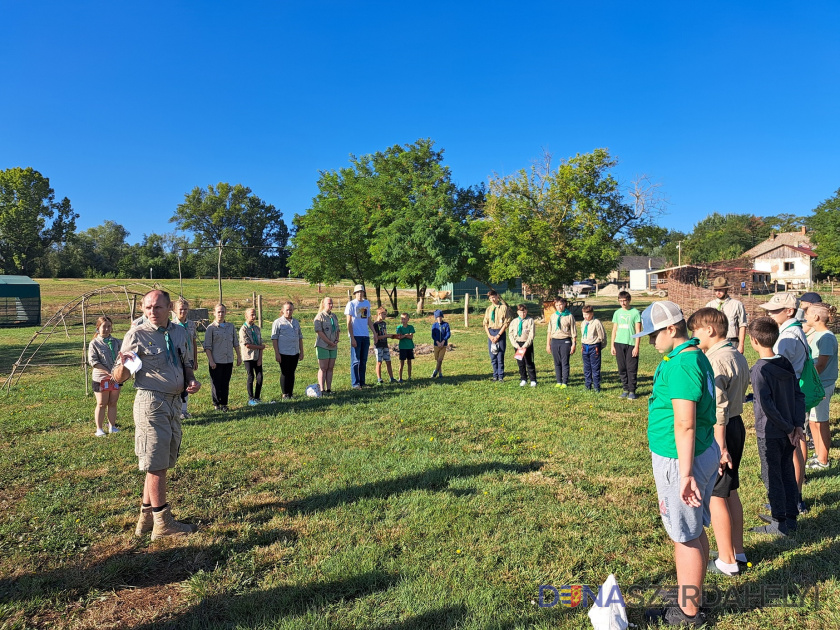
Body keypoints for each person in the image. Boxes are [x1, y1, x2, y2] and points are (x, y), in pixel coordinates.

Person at [636, 301, 719, 626]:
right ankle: (691, 592)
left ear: (671, 329)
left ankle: (688, 612)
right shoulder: (689, 355)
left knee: (684, 535)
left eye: (653, 334)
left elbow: (685, 422)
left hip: (682, 460)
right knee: (693, 528)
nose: (650, 341)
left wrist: (685, 474)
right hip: (696, 453)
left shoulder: (683, 363)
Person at [117, 289, 201, 539]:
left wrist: (192, 380)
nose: (152, 312)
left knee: (160, 461)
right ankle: (163, 523)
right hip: (151, 403)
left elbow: (186, 362)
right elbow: (118, 377)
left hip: (174, 403)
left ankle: (145, 520)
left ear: (169, 309)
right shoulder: (136, 335)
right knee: (156, 464)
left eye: (158, 307)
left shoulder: (180, 332)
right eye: (147, 308)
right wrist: (123, 365)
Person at [687, 308, 750, 576]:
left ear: (710, 331)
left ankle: (726, 561)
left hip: (721, 430)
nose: (693, 336)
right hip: (736, 425)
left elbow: (719, 409)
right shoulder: (736, 353)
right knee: (730, 490)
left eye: (696, 331)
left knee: (716, 494)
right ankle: (737, 550)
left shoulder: (714, 361)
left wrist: (720, 447)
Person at [747, 316, 805, 537]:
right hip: (789, 429)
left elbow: (767, 406)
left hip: (771, 433)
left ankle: (779, 522)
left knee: (772, 475)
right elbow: (799, 395)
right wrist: (796, 424)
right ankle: (790, 515)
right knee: (786, 471)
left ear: (753, 340)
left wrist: (791, 428)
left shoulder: (759, 370)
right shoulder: (785, 363)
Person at [757, 292, 809, 513]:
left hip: (787, 396)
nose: (770, 313)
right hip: (793, 393)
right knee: (795, 445)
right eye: (769, 309)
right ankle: (792, 497)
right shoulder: (794, 330)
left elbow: (777, 370)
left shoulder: (787, 337)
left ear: (789, 311)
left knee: (791, 449)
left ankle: (793, 499)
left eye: (775, 310)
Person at [804, 304, 837, 470]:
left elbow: (821, 364)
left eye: (808, 314)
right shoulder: (817, 334)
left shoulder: (826, 337)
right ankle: (818, 455)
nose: (806, 317)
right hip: (817, 385)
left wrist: (806, 378)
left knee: (821, 422)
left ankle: (823, 460)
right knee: (813, 422)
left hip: (822, 385)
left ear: (816, 317)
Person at [87, 316, 121, 436]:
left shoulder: (117, 342)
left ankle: (112, 426)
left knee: (113, 402)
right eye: (104, 326)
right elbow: (93, 361)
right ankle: (99, 429)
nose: (106, 329)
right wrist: (108, 371)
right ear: (98, 328)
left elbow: (123, 356)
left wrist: (118, 372)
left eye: (109, 326)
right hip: (101, 378)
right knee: (101, 403)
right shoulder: (94, 344)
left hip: (115, 378)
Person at [204, 303, 241, 411]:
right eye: (218, 312)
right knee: (216, 383)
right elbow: (207, 347)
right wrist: (211, 361)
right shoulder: (211, 328)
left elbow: (235, 343)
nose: (221, 314)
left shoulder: (231, 327)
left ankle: (224, 404)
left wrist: (239, 356)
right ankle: (216, 404)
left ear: (226, 313)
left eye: (223, 311)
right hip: (216, 360)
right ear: (214, 313)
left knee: (225, 382)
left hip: (228, 359)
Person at [611, 291, 642, 399]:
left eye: (625, 300)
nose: (623, 303)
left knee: (631, 368)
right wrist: (612, 345)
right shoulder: (617, 313)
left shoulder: (635, 313)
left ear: (629, 300)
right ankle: (625, 389)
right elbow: (614, 330)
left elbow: (638, 330)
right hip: (619, 343)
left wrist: (637, 346)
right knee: (622, 368)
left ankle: (632, 390)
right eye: (621, 301)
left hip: (631, 344)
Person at [705, 276, 748, 353]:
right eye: (716, 290)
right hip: (714, 343)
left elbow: (742, 325)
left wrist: (741, 345)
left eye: (720, 290)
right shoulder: (709, 306)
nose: (718, 292)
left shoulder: (737, 305)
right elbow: (705, 326)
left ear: (726, 289)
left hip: (731, 342)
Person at [345, 285, 376, 389]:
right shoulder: (351, 304)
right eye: (357, 292)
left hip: (365, 335)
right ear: (355, 293)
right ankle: (355, 383)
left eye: (361, 292)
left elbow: (368, 320)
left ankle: (362, 382)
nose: (360, 294)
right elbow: (348, 322)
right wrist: (352, 337)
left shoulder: (367, 303)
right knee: (355, 360)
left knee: (363, 360)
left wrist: (374, 333)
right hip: (356, 336)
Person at [171, 298, 198, 419]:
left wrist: (195, 360)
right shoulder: (172, 325)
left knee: (188, 383)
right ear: (175, 310)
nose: (183, 311)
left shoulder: (191, 324)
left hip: (190, 358)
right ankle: (177, 410)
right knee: (179, 384)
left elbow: (194, 341)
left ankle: (184, 409)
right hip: (178, 359)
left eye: (185, 309)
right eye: (181, 309)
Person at [271, 301, 304, 399]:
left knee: (292, 372)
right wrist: (277, 353)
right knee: (285, 372)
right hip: (283, 352)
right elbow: (274, 338)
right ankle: (285, 393)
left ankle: (290, 393)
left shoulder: (296, 322)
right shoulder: (278, 322)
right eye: (287, 310)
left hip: (294, 352)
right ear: (282, 311)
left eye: (291, 310)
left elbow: (300, 337)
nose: (289, 312)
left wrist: (301, 351)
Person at [546, 297, 576, 388]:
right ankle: (558, 381)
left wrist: (574, 344)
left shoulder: (569, 316)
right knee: (557, 362)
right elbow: (549, 331)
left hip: (565, 341)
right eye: (557, 305)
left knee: (565, 362)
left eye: (560, 305)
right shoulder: (553, 316)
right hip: (555, 341)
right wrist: (548, 344)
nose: (559, 307)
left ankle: (564, 382)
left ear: (564, 304)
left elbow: (574, 332)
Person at [483, 290, 513, 382]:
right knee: (493, 356)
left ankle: (500, 376)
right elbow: (485, 323)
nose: (492, 299)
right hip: (491, 332)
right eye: (490, 298)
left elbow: (506, 322)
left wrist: (499, 335)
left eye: (494, 297)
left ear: (497, 296)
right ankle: (495, 375)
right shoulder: (488, 309)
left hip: (500, 332)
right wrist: (490, 336)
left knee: (500, 356)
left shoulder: (503, 308)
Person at [314, 297, 340, 393]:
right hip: (323, 345)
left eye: (332, 303)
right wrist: (329, 342)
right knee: (323, 368)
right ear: (324, 304)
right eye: (329, 303)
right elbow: (319, 332)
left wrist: (337, 339)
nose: (331, 305)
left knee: (330, 367)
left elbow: (337, 329)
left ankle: (329, 389)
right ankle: (322, 389)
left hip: (333, 345)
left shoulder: (334, 316)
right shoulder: (319, 316)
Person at [240, 308, 265, 405]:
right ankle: (251, 398)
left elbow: (261, 344)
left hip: (257, 356)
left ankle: (257, 397)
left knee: (260, 377)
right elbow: (247, 345)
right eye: (251, 315)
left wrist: (260, 358)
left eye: (255, 314)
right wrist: (260, 347)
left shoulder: (257, 329)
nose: (254, 316)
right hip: (248, 357)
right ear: (246, 316)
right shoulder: (243, 329)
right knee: (251, 376)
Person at [580, 305, 606, 392]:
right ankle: (587, 385)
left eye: (587, 314)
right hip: (585, 347)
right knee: (586, 368)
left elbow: (602, 336)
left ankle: (596, 387)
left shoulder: (596, 322)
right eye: (584, 314)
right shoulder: (583, 323)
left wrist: (598, 346)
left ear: (592, 314)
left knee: (595, 368)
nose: (585, 316)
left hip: (594, 347)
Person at [510, 304, 537, 387]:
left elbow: (531, 334)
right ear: (518, 312)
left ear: (526, 311)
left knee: (529, 362)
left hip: (527, 344)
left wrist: (526, 345)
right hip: (518, 344)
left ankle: (533, 380)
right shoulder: (514, 321)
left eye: (524, 312)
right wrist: (516, 345)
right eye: (521, 313)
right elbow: (510, 334)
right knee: (520, 363)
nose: (523, 314)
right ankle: (523, 379)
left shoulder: (530, 320)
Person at [372, 306, 397, 385]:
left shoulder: (384, 323)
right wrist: (387, 336)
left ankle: (391, 378)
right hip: (378, 345)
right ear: (379, 314)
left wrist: (392, 336)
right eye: (384, 314)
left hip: (385, 345)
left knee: (388, 361)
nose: (385, 316)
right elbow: (377, 337)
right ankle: (379, 378)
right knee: (379, 362)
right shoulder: (375, 325)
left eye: (386, 314)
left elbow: (385, 333)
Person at [431, 309, 451, 379]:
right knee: (437, 360)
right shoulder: (434, 325)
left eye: (440, 317)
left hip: (443, 345)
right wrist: (437, 342)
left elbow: (448, 334)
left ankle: (435, 372)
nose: (439, 318)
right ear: (436, 318)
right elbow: (433, 335)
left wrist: (443, 341)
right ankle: (440, 374)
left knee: (440, 359)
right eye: (437, 317)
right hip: (436, 345)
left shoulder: (446, 325)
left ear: (442, 317)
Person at [396, 312, 415, 382]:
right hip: (402, 347)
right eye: (402, 319)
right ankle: (400, 378)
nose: (403, 320)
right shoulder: (399, 327)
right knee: (402, 363)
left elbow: (411, 337)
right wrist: (405, 335)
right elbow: (399, 337)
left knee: (409, 362)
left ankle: (409, 377)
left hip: (409, 347)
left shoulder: (411, 327)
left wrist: (404, 336)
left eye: (404, 319)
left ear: (408, 319)